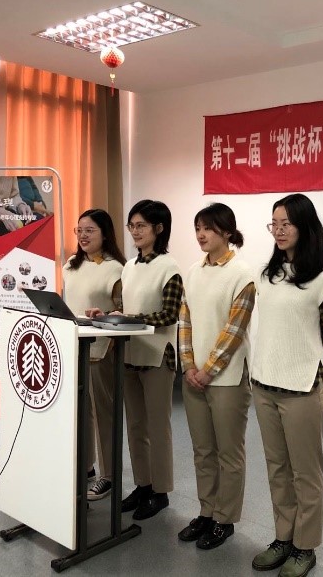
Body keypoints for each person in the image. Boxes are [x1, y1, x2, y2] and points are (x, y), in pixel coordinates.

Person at [250, 194, 323, 577]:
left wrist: (309, 374)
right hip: (264, 385)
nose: (279, 230)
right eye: (274, 223)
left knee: (306, 473)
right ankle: (283, 538)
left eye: (286, 223)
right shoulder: (267, 275)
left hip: (303, 388)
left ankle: (305, 546)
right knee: (277, 468)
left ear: (305, 226)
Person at [89, 199, 182, 521]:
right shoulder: (129, 267)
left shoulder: (170, 267)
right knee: (136, 427)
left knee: (158, 428)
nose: (135, 231)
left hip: (157, 356)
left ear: (159, 228)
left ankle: (161, 492)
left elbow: (170, 314)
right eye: (132, 225)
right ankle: (143, 485)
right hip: (130, 354)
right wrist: (107, 314)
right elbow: (126, 308)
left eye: (141, 225)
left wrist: (132, 318)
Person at [177, 203, 255, 550]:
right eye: (197, 228)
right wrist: (189, 365)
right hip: (194, 376)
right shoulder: (193, 272)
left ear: (227, 231)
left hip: (227, 379)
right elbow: (185, 321)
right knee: (203, 451)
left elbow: (233, 331)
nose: (201, 234)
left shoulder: (242, 275)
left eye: (207, 228)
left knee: (228, 453)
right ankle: (206, 512)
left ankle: (225, 519)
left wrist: (208, 370)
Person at [63, 209, 126, 502]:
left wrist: (107, 316)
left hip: (103, 349)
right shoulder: (70, 265)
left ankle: (109, 476)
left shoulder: (116, 269)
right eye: (79, 230)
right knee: (80, 412)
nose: (83, 236)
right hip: (74, 346)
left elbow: (122, 310)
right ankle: (85, 467)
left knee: (104, 414)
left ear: (105, 233)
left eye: (90, 230)